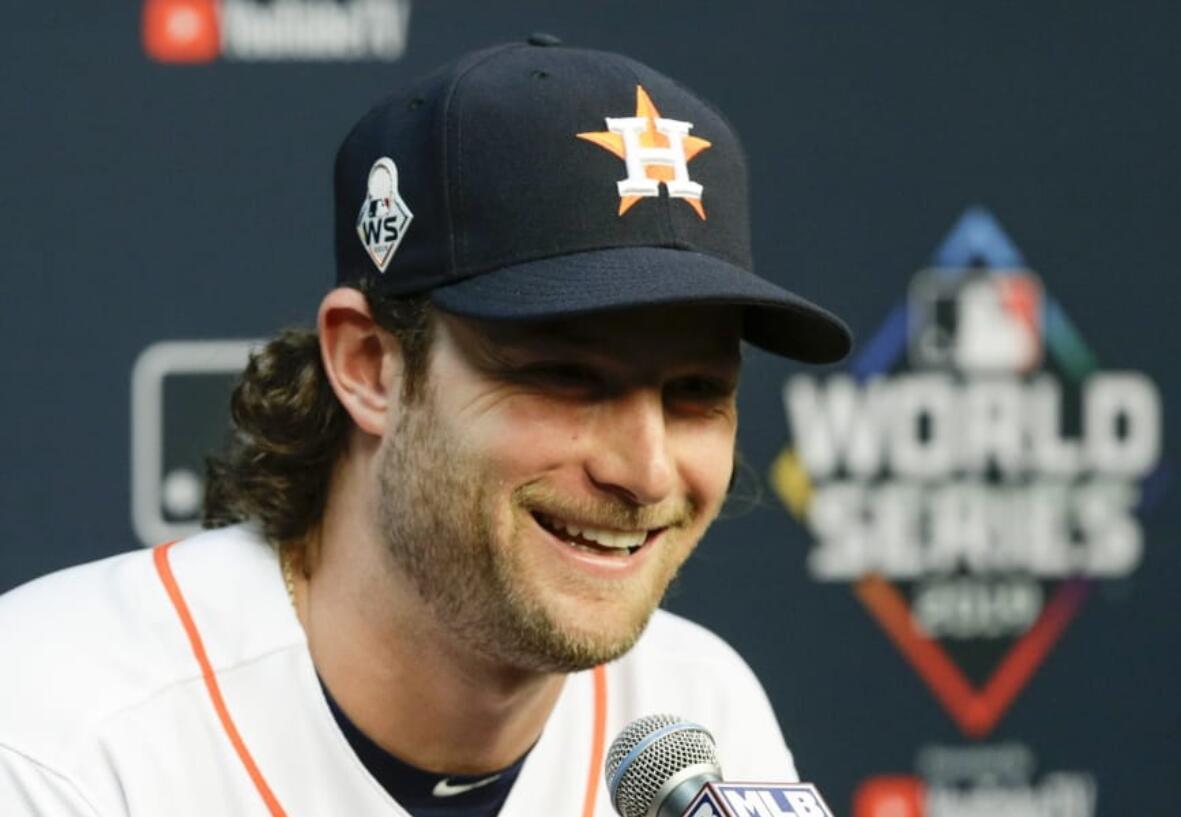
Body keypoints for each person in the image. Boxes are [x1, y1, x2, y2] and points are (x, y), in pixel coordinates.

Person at [0, 36, 850, 816]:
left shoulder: (696, 717)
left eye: (696, 392)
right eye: (564, 377)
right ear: (370, 365)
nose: (647, 468)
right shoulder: (56, 733)